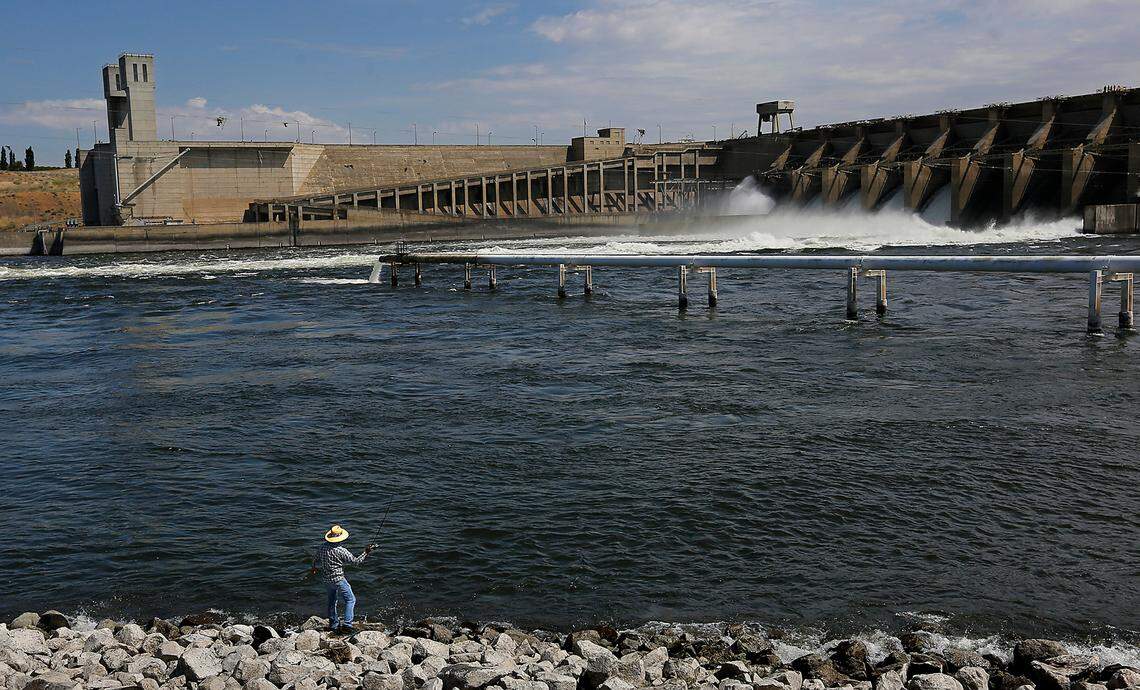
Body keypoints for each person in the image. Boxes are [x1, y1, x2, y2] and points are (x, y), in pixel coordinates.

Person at [310, 524, 375, 633]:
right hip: (338, 579)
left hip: (327, 580)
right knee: (351, 599)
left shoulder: (322, 547)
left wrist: (313, 568)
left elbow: (315, 559)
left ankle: (333, 625)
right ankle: (347, 625)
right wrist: (366, 552)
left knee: (332, 601)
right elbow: (356, 561)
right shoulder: (341, 550)